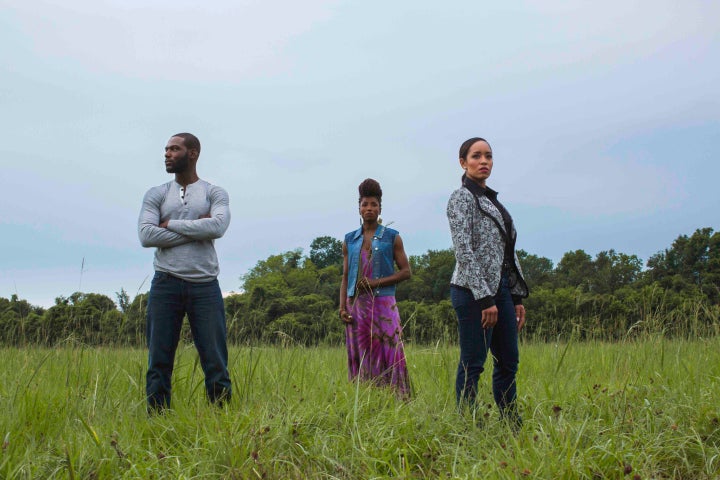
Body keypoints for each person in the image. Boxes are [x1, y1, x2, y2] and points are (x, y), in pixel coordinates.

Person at [138, 132, 232, 411]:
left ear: (192, 153)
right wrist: (196, 230)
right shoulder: (156, 194)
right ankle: (157, 423)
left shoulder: (215, 193)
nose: (167, 154)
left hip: (205, 285)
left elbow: (217, 227)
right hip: (165, 283)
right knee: (159, 360)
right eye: (166, 149)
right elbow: (145, 235)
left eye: (174, 149)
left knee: (215, 360)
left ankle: (223, 420)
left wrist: (169, 225)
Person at [446, 137, 529, 427]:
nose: (484, 162)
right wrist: (485, 300)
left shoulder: (491, 200)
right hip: (472, 294)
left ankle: (511, 423)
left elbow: (506, 253)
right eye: (476, 156)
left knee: (509, 361)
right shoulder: (461, 199)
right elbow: (464, 251)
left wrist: (516, 298)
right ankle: (466, 425)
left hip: (502, 292)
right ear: (463, 162)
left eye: (489, 156)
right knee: (474, 363)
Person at [339, 178, 412, 396]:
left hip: (384, 304)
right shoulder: (349, 240)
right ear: (359, 207)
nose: (369, 208)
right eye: (365, 204)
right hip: (356, 306)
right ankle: (365, 401)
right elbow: (345, 276)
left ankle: (398, 400)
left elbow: (406, 271)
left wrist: (375, 283)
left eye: (373, 205)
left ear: (380, 208)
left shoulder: (392, 237)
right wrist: (342, 307)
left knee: (390, 350)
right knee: (362, 354)